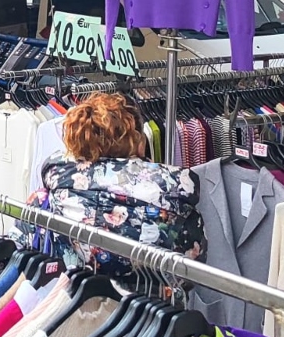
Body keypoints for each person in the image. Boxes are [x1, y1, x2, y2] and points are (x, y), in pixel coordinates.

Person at [19, 92, 205, 271]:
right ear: (138, 142)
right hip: (151, 300)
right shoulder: (174, 192)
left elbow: (21, 249)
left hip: (70, 296)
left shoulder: (51, 193)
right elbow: (193, 265)